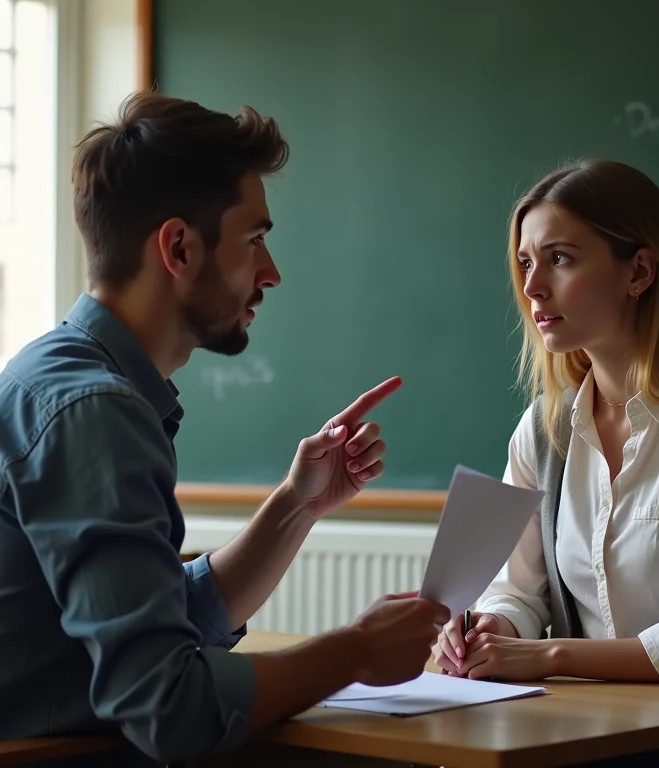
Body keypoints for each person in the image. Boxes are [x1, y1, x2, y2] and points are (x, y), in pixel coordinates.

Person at [0, 91, 449, 767]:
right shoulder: (94, 412)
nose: (271, 273)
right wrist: (353, 652)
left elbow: (168, 623)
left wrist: (298, 504)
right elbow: (170, 707)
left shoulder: (63, 377)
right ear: (178, 247)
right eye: (255, 239)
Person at [433, 159, 659, 765]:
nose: (533, 287)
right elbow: (519, 592)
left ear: (639, 270)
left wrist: (551, 656)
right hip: (575, 732)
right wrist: (489, 632)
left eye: (560, 258)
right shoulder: (542, 428)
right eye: (527, 262)